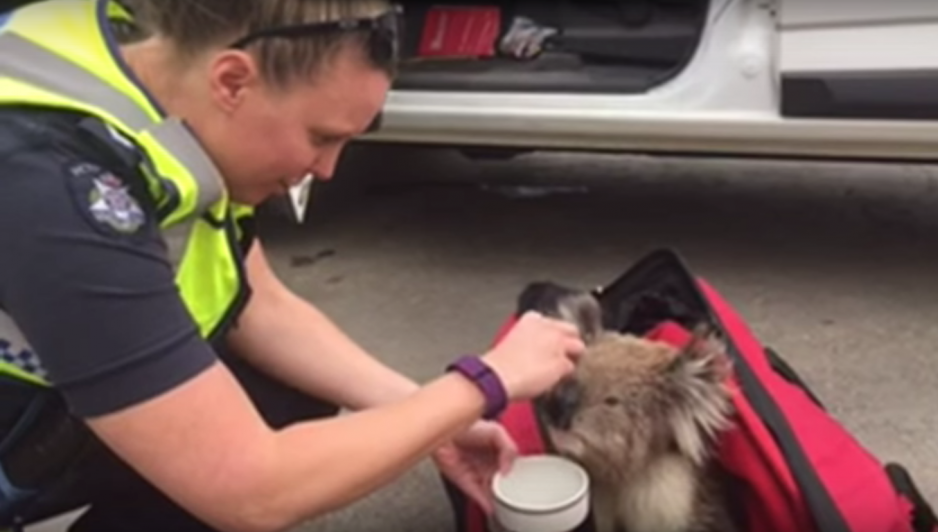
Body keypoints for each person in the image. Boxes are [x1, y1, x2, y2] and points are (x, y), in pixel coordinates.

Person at [0, 1, 586, 531]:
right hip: (21, 441)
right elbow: (251, 488)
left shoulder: (153, 93)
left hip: (48, 419)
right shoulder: (54, 188)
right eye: (319, 136)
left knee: (287, 397)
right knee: (266, 462)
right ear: (233, 80)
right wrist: (482, 384)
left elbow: (261, 304)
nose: (327, 170)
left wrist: (429, 419)